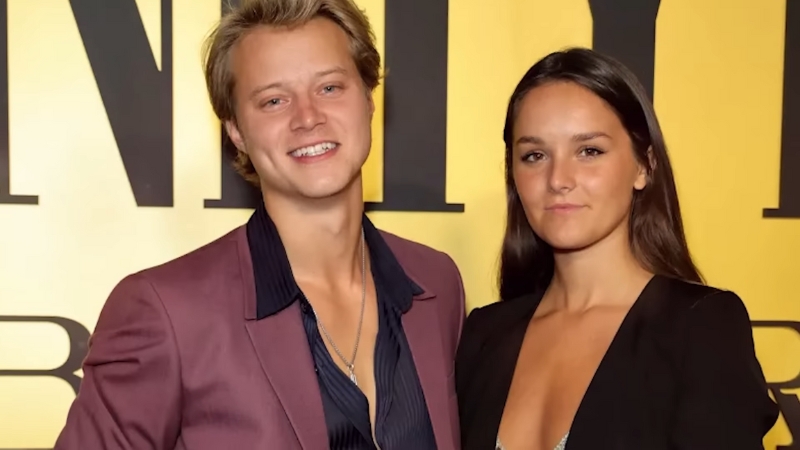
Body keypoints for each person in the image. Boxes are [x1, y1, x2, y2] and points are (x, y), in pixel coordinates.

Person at [54, 0, 465, 449]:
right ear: (236, 132)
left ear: (368, 99)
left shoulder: (435, 284)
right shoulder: (165, 312)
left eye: (329, 88)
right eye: (274, 100)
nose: (308, 117)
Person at [455, 47, 779, 450]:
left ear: (644, 166)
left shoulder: (700, 328)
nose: (558, 178)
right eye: (534, 155)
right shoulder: (484, 334)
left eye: (589, 151)